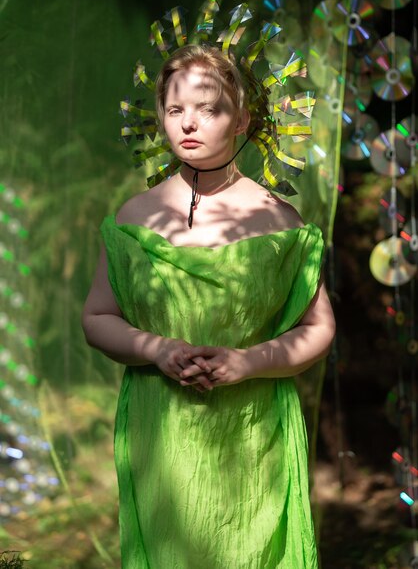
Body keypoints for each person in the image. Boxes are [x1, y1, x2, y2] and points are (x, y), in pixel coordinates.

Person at [82, 44, 336, 568]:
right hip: (163, 432)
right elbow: (97, 317)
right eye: (175, 110)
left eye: (208, 108)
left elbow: (318, 326)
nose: (188, 123)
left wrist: (249, 362)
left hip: (252, 430)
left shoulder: (278, 220)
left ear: (242, 118)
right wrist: (155, 349)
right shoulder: (136, 216)